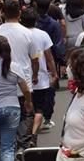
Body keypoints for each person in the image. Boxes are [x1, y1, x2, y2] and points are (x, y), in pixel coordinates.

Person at [20, 8, 57, 136]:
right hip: (40, 77)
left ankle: (25, 132)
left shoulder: (19, 34)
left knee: (25, 107)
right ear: (36, 21)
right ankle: (33, 133)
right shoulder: (42, 35)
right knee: (39, 108)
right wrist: (54, 73)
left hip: (21, 77)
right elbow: (49, 57)